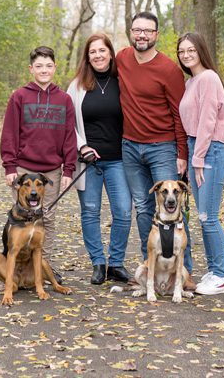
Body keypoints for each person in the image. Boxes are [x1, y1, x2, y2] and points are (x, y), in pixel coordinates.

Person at [116, 11, 196, 290]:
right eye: (137, 30)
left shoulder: (169, 70)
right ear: (130, 32)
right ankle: (150, 265)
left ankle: (183, 273)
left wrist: (182, 153)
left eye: (148, 31)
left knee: (172, 205)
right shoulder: (122, 59)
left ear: (156, 35)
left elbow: (179, 114)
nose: (142, 35)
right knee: (144, 209)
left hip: (162, 147)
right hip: (130, 146)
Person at [0, 45, 77, 283]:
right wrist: (10, 167)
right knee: (23, 217)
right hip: (24, 168)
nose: (44, 70)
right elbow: (10, 133)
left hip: (51, 169)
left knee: (48, 218)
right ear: (31, 69)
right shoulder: (19, 96)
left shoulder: (64, 99)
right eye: (39, 66)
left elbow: (69, 136)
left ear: (55, 68)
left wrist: (69, 169)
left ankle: (45, 267)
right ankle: (21, 268)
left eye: (49, 65)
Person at [67, 34, 132, 285]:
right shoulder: (77, 86)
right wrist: (81, 147)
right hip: (88, 162)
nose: (98, 55)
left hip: (118, 160)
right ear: (87, 57)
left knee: (124, 212)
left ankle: (116, 263)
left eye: (102, 51)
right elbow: (67, 123)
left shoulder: (122, 82)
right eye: (92, 52)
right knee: (91, 212)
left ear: (110, 53)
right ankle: (98, 262)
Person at [176, 32, 224, 295]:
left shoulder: (209, 78)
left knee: (209, 217)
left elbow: (208, 120)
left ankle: (221, 276)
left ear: (201, 50)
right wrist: (189, 156)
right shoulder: (192, 82)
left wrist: (197, 158)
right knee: (203, 216)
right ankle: (213, 271)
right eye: (182, 51)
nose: (186, 55)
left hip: (211, 150)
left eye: (191, 50)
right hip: (196, 147)